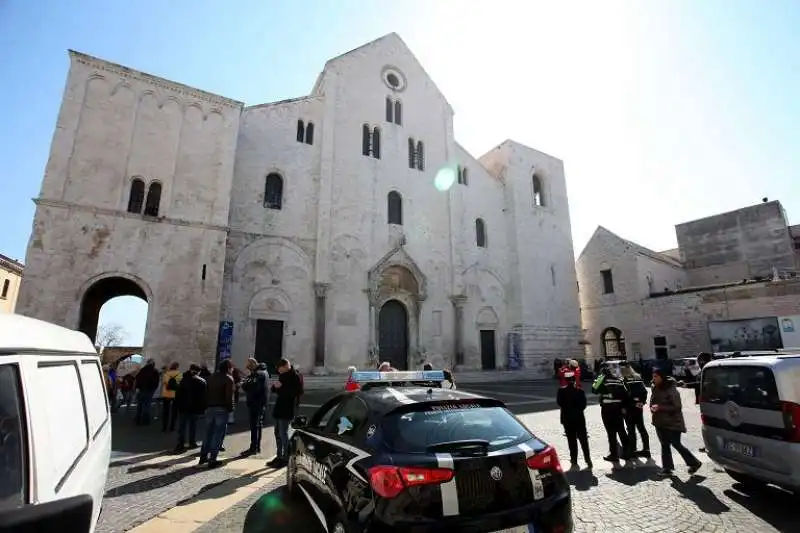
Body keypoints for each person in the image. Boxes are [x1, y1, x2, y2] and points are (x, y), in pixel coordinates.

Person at [650, 368, 702, 477]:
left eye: (656, 376)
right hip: (659, 421)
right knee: (664, 445)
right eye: (653, 376)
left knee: (676, 444)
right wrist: (653, 408)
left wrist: (660, 407)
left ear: (662, 377)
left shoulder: (670, 388)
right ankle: (667, 468)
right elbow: (653, 402)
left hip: (672, 421)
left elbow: (677, 407)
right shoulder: (655, 387)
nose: (653, 378)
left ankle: (694, 462)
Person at [592, 365, 632, 465]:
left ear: (602, 373)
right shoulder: (618, 380)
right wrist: (623, 407)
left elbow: (594, 389)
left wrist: (599, 379)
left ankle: (614, 454)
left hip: (607, 409)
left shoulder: (602, 379)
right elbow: (626, 395)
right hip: (618, 408)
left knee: (611, 432)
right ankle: (627, 452)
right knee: (621, 430)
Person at [199, 360, 235, 469]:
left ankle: (203, 456)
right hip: (221, 408)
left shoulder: (211, 377)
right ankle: (213, 459)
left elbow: (205, 393)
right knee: (218, 434)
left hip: (210, 407)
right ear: (228, 368)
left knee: (208, 433)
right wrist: (230, 408)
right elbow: (229, 396)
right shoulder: (228, 379)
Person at [267, 358, 302, 468]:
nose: (279, 371)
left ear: (286, 366)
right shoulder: (283, 375)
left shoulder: (295, 377)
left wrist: (280, 388)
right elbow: (276, 389)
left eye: (280, 369)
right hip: (279, 408)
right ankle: (279, 456)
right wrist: (275, 387)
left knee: (283, 433)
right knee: (277, 433)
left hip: (287, 408)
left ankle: (286, 457)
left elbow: (294, 393)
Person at [557, 373, 592, 469]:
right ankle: (587, 459)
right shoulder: (580, 391)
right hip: (579, 418)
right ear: (574, 380)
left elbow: (559, 403)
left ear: (566, 380)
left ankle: (574, 459)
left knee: (571, 440)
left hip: (567, 419)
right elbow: (584, 405)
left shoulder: (561, 391)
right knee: (583, 440)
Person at [174, 364, 207, 452]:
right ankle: (192, 442)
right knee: (193, 426)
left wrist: (177, 405)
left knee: (182, 426)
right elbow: (203, 397)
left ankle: (180, 443)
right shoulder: (201, 381)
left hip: (183, 407)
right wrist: (203, 409)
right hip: (194, 408)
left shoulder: (182, 379)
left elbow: (177, 394)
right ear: (197, 372)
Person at [621, 364, 651, 458]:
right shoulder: (637, 378)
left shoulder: (624, 380)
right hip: (638, 407)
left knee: (631, 429)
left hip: (629, 407)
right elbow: (644, 392)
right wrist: (641, 402)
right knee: (641, 428)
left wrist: (623, 407)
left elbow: (625, 395)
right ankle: (646, 449)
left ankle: (632, 450)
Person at [241, 357, 269, 455]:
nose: (247, 368)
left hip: (256, 403)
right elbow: (248, 382)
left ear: (252, 365)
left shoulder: (258, 374)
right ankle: (255, 447)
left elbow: (251, 387)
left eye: (248, 366)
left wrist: (244, 385)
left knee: (255, 426)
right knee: (257, 426)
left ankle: (254, 448)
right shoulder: (261, 373)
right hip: (259, 403)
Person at [134, 359, 160, 425]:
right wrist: (153, 389)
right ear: (153, 364)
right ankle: (145, 421)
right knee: (147, 406)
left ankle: (138, 420)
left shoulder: (142, 370)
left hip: (141, 390)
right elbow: (156, 382)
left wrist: (138, 388)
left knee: (139, 406)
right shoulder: (155, 371)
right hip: (149, 391)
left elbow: (137, 379)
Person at [160, 362, 181, 432]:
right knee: (174, 411)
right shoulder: (179, 374)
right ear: (177, 367)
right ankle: (172, 426)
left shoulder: (167, 374)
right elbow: (180, 384)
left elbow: (164, 383)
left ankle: (164, 427)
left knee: (166, 411)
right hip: (176, 394)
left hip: (166, 394)